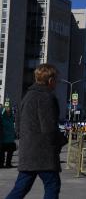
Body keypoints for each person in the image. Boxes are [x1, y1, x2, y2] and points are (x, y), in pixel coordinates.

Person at [6, 64, 67, 199]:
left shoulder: (27, 96)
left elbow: (18, 125)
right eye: (56, 80)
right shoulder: (47, 97)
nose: (56, 83)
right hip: (43, 154)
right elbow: (49, 128)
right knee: (52, 185)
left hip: (28, 152)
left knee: (21, 187)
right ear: (50, 80)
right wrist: (62, 140)